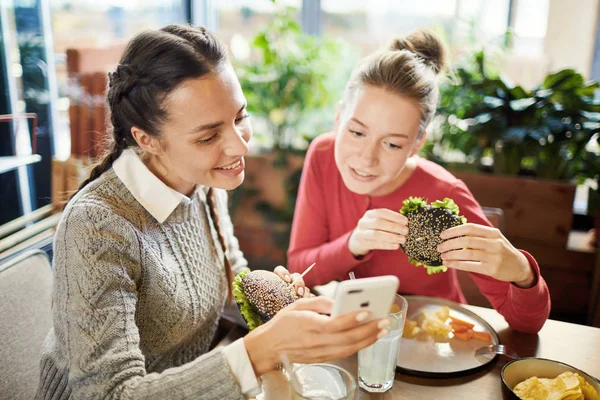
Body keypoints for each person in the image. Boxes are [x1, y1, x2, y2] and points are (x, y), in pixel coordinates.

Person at [36, 25, 389, 400]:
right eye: (208, 136)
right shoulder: (97, 225)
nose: (239, 147)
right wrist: (258, 352)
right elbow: (107, 393)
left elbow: (228, 275)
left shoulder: (202, 180)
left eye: (240, 117)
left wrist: (273, 299)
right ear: (146, 139)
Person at [287, 29, 551, 334]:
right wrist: (352, 245)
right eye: (357, 132)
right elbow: (299, 268)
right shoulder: (323, 155)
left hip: (436, 345)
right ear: (338, 118)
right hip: (358, 342)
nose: (367, 158)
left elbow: (528, 323)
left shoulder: (445, 194)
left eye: (393, 144)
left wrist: (522, 272)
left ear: (416, 144)